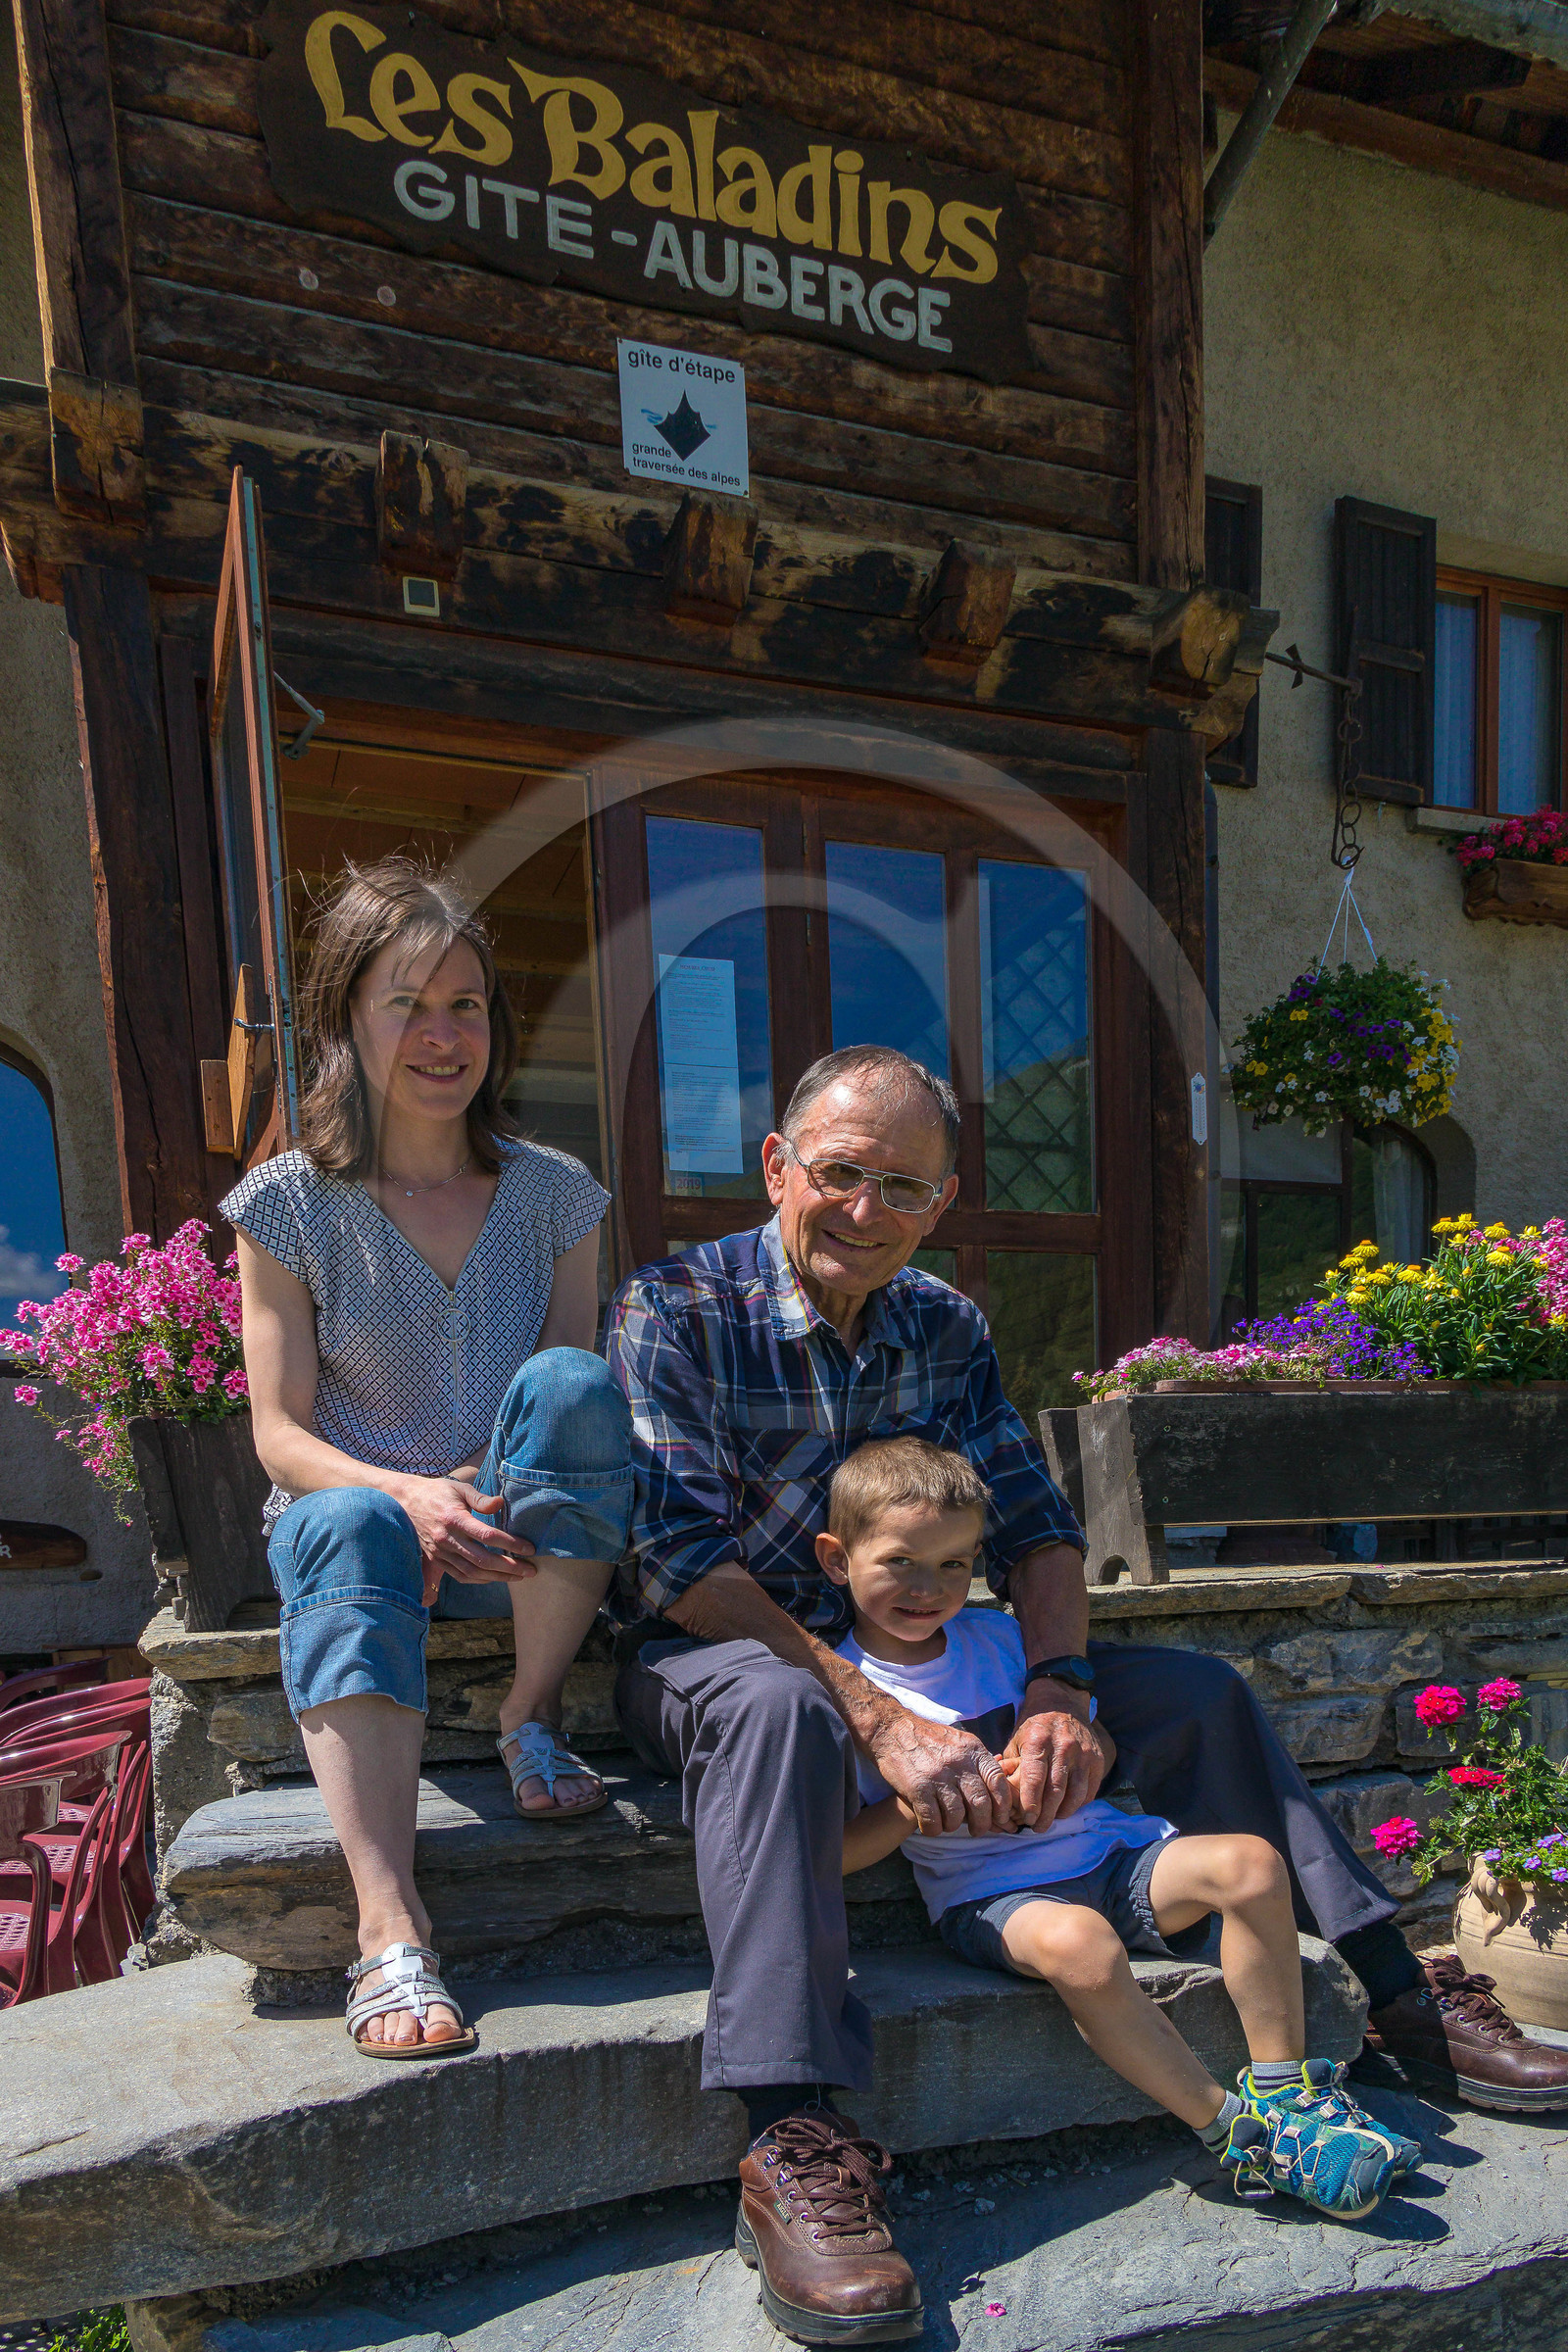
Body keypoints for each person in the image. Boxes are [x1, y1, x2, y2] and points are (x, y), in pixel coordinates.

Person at [605, 1041, 1566, 2343]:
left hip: (931, 1654)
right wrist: (875, 1716)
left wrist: (1057, 1690)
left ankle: (1398, 1991)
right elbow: (677, 1559)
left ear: (942, 1203)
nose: (867, 1211)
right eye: (840, 1174)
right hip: (727, 1658)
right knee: (781, 1710)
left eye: (906, 1188)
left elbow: (1039, 1530)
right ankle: (792, 2134)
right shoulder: (675, 1307)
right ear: (779, 1167)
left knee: (1195, 1690)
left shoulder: (944, 1324)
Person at [227, 858, 631, 2057]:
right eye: (408, 1002)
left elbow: (565, 1403)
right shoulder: (287, 1205)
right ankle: (388, 1924)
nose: (443, 1034)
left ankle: (527, 1714)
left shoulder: (557, 1194)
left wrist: (469, 1483)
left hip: (508, 1514)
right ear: (348, 1015)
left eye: (466, 1003)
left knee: (576, 1383)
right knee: (348, 1528)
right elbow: (279, 1435)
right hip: (350, 1510)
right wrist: (407, 1493)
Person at [828, 1435, 1420, 2225]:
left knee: (1248, 1862)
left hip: (1109, 1857)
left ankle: (1290, 2098)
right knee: (1082, 1947)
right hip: (993, 1894)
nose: (928, 1587)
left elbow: (1097, 1747)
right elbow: (834, 1856)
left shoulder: (1006, 1641)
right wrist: (911, 1809)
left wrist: (1074, 1766)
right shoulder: (845, 1694)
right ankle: (1234, 2135)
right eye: (900, 1561)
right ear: (838, 1560)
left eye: (954, 1565)